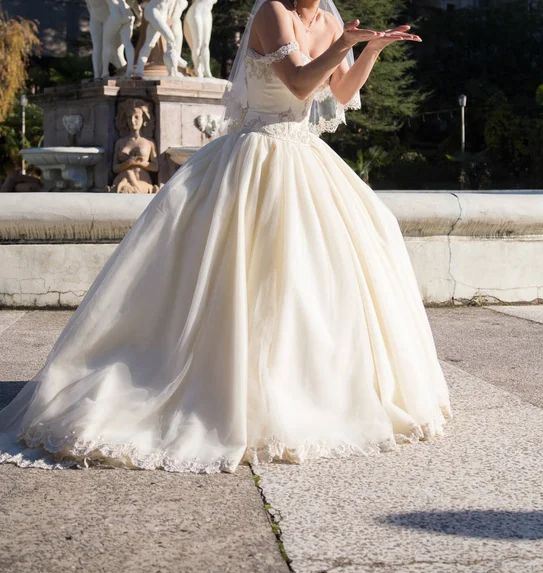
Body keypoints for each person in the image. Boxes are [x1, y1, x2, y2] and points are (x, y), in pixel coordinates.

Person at [0, 0, 452, 474]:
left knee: (340, 253)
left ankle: (306, 388)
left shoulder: (332, 21)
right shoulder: (274, 12)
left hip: (306, 153)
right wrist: (343, 44)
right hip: (256, 152)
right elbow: (298, 82)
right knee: (247, 273)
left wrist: (369, 52)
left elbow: (336, 93)